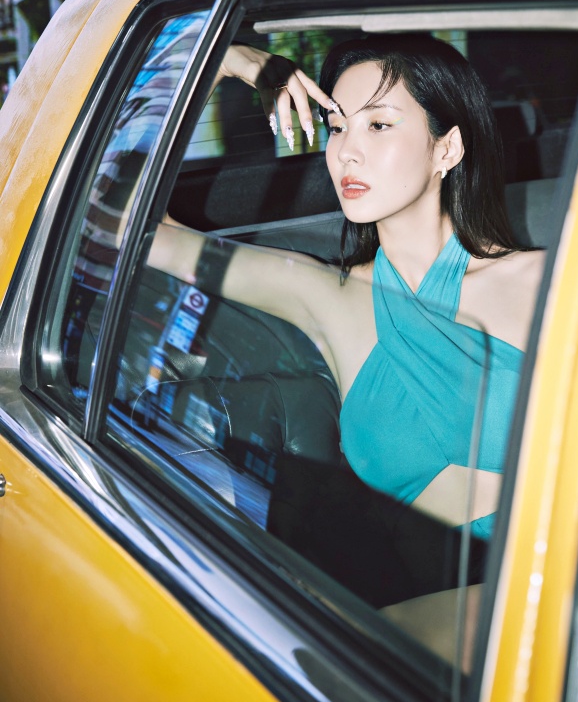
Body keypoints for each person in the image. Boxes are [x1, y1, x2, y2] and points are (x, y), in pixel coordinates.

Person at [150, 34, 545, 539]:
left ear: (446, 148)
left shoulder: (544, 283)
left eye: (378, 125)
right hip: (402, 589)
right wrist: (223, 60)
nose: (346, 153)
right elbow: (124, 223)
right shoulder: (324, 295)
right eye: (337, 127)